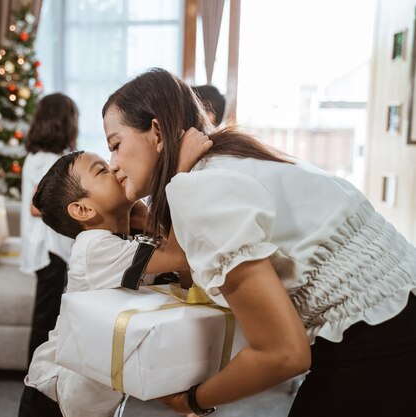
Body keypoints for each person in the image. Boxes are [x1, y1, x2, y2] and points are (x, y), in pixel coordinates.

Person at [101, 67, 416, 417]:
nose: (112, 164)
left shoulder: (200, 189)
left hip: (381, 333)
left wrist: (191, 400)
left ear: (157, 132)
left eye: (115, 145)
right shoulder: (225, 161)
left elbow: (283, 354)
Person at [20, 130, 213, 417]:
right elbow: (179, 254)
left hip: (98, 397)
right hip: (55, 397)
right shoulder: (93, 248)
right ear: (83, 209)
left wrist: (145, 217)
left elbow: (184, 275)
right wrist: (179, 173)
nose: (114, 167)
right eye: (101, 171)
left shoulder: (130, 242)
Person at [20, 93, 79, 365]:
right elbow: (36, 205)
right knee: (46, 314)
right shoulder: (46, 160)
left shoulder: (37, 156)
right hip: (50, 249)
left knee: (49, 310)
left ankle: (43, 366)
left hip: (48, 247)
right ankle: (37, 370)